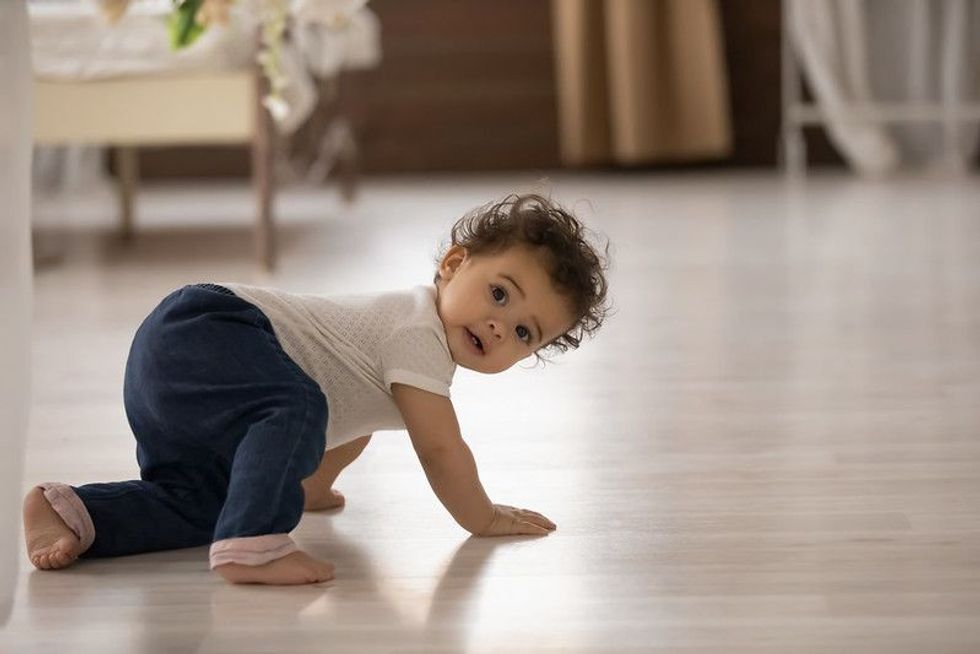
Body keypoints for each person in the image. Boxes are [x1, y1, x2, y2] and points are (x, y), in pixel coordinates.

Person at [23, 193, 610, 585]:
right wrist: (481, 517)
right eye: (500, 295)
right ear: (453, 265)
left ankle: (73, 513)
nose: (497, 326)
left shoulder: (402, 356)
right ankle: (255, 543)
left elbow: (354, 422)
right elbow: (440, 450)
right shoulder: (417, 331)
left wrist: (316, 484)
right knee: (296, 404)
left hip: (174, 379)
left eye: (524, 333)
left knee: (203, 503)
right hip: (207, 329)